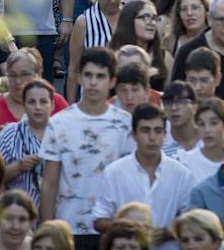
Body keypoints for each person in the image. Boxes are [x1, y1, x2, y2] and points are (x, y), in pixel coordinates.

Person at [39, 47, 135, 247]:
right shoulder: (58, 123)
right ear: (79, 77)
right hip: (68, 229)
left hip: (113, 228)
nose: (93, 82)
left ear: (112, 81)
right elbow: (49, 183)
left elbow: (130, 178)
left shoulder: (125, 123)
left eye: (100, 76)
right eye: (88, 75)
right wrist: (48, 231)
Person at [92, 104, 195, 241]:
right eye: (145, 131)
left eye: (158, 131)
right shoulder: (114, 172)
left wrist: (168, 232)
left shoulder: (181, 174)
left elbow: (190, 217)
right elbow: (99, 219)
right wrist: (127, 229)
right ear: (134, 134)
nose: (152, 137)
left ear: (165, 134)